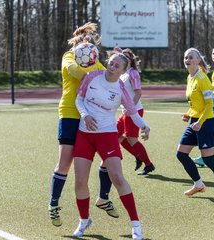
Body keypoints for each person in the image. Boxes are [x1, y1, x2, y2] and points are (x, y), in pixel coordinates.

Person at [72, 52, 150, 239]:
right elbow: (79, 99)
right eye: (111, 62)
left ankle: (136, 225)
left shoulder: (121, 88)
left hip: (107, 135)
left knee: (117, 177)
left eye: (117, 65)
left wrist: (145, 126)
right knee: (80, 181)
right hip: (84, 135)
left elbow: (132, 112)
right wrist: (85, 115)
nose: (113, 66)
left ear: (123, 70)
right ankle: (84, 221)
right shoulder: (92, 77)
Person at [48, 22, 118, 227]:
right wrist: (94, 69)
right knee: (65, 162)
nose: (86, 50)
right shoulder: (68, 57)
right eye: (82, 47)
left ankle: (103, 198)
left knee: (108, 157)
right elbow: (77, 73)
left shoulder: (95, 62)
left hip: (92, 115)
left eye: (89, 47)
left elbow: (110, 79)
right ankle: (53, 204)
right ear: (76, 47)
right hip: (71, 114)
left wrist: (118, 61)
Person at [176, 48, 214, 201]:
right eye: (185, 57)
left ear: (198, 61)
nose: (187, 60)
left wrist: (199, 122)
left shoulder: (203, 79)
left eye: (191, 57)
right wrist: (189, 113)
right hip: (195, 121)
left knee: (209, 159)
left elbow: (209, 105)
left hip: (206, 122)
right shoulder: (190, 77)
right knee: (181, 154)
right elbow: (196, 103)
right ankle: (198, 185)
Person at [114, 47, 155, 175]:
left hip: (133, 111)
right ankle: (138, 156)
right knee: (116, 136)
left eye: (126, 57)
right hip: (125, 112)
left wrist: (130, 108)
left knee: (131, 139)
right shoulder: (123, 73)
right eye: (122, 57)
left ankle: (148, 164)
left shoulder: (133, 73)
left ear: (131, 60)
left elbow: (138, 93)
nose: (124, 59)